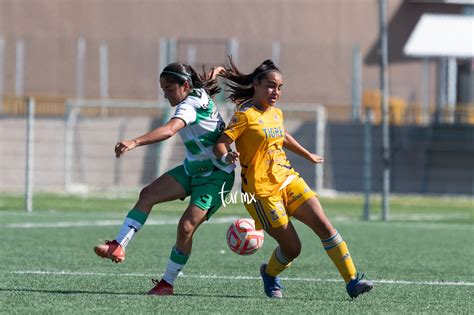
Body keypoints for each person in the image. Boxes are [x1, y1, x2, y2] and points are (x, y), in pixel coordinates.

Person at [214, 57, 373, 299]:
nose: (275, 92)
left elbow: (282, 135)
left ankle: (352, 281)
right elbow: (221, 144)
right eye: (270, 85)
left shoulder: (276, 112)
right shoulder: (244, 114)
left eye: (279, 87)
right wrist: (227, 158)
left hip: (288, 179)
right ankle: (269, 273)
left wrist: (307, 154)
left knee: (325, 226)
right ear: (255, 84)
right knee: (293, 249)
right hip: (261, 193)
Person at [94, 62, 235, 296]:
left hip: (216, 177)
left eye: (169, 89)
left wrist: (134, 142)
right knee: (147, 195)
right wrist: (218, 71)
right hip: (192, 170)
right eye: (163, 89)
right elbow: (203, 80)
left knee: (186, 227)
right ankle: (118, 246)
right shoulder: (198, 91)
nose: (166, 94)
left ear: (184, 85)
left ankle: (167, 283)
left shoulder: (187, 107)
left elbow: (170, 130)